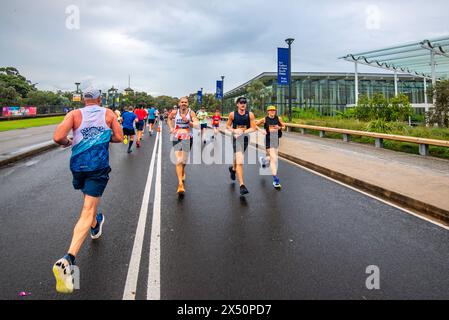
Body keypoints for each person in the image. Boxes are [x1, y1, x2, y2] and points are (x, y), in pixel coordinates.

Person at [52, 88, 123, 294]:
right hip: (97, 166)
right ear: (100, 100)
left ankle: (96, 224)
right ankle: (68, 259)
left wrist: (68, 142)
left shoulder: (74, 114)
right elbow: (118, 137)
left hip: (77, 166)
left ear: (84, 100)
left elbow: (58, 137)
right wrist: (104, 137)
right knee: (87, 210)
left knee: (89, 206)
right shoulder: (108, 113)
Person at [167, 97, 199, 196]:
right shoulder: (174, 112)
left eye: (185, 102)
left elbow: (197, 125)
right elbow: (169, 119)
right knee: (179, 160)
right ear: (179, 103)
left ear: (188, 104)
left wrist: (188, 122)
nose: (184, 103)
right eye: (182, 102)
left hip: (188, 138)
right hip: (177, 137)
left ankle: (183, 170)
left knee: (184, 160)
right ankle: (180, 184)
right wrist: (171, 127)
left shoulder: (191, 113)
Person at [226, 97, 257, 196]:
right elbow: (227, 126)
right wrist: (234, 131)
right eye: (241, 102)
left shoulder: (250, 114)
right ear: (237, 104)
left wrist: (243, 131)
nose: (243, 104)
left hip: (245, 138)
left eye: (245, 102)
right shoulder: (232, 114)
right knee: (240, 160)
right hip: (235, 138)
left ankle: (233, 169)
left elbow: (253, 128)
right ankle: (242, 185)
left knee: (237, 157)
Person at [255, 105, 286, 189]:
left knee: (272, 157)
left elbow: (284, 126)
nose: (273, 112)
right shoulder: (264, 119)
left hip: (275, 140)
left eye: (274, 110)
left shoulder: (278, 118)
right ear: (268, 111)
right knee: (274, 159)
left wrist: (279, 127)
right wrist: (261, 130)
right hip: (268, 140)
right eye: (271, 110)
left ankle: (263, 160)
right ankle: (275, 180)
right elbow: (254, 124)